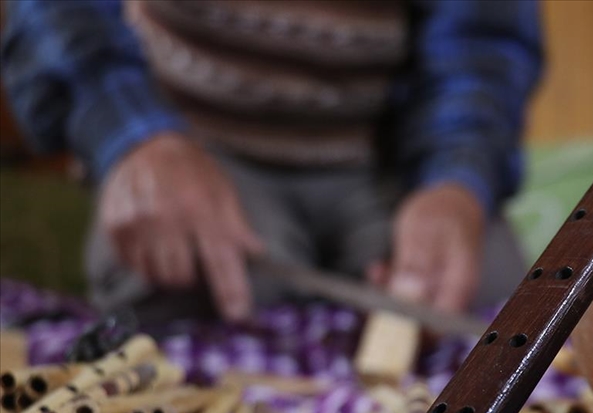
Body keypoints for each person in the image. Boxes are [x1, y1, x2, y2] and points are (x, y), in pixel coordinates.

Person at [1, 0, 543, 325]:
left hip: (389, 157)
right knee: (180, 285)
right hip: (192, 148)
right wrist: (131, 138)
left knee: (481, 299)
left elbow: (482, 36)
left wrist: (455, 182)